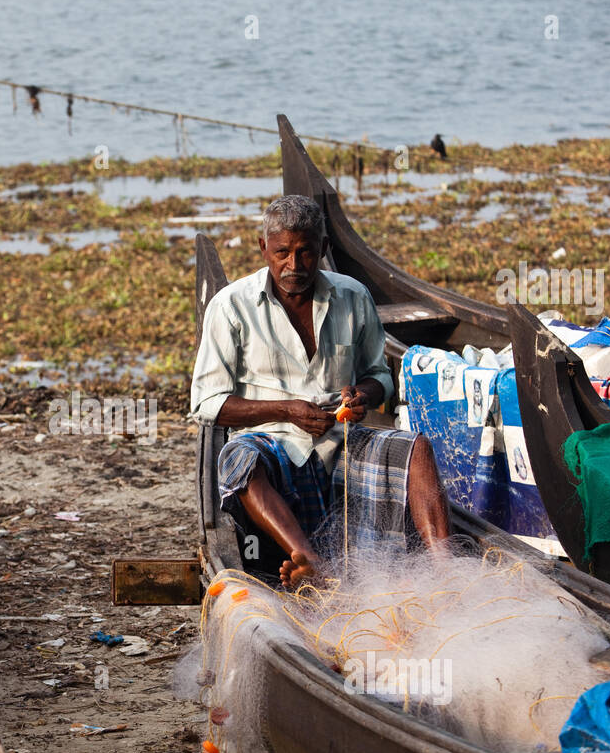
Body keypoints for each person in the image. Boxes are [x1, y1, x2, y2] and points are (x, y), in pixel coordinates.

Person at [190, 194, 450, 586]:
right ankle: (310, 561)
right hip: (272, 442)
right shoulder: (231, 306)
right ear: (263, 248)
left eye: (306, 253)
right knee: (237, 459)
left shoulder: (352, 296)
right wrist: (286, 410)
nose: (293, 265)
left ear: (324, 249)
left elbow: (380, 377)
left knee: (417, 449)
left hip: (339, 440)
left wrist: (363, 395)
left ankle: (447, 569)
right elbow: (207, 403)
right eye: (282, 253)